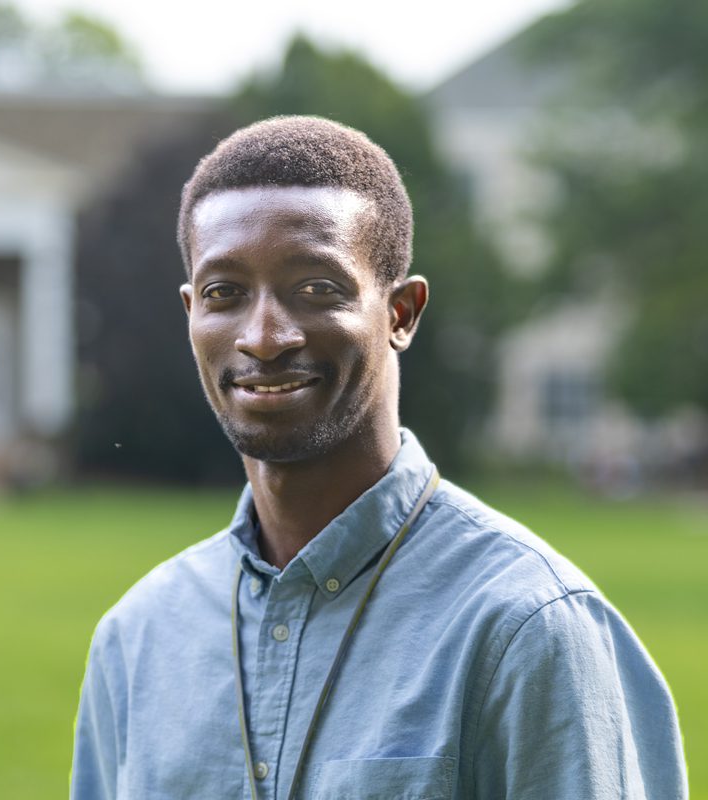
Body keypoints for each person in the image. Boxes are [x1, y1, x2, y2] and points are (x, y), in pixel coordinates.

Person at [71, 116, 687, 799]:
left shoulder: (528, 628)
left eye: (316, 288)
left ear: (401, 313)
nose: (265, 336)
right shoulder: (138, 638)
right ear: (191, 314)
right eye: (225, 294)